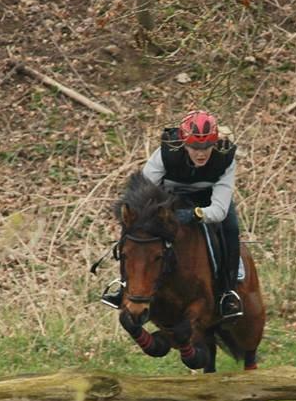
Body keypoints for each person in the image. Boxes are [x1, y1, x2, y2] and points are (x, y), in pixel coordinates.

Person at [102, 109, 244, 319]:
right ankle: (123, 285)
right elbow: (141, 190)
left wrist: (195, 214)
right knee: (133, 222)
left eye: (207, 147)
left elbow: (219, 210)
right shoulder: (165, 153)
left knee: (231, 228)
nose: (201, 153)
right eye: (195, 147)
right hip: (170, 198)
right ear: (184, 143)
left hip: (208, 201)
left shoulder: (225, 158)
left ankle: (227, 292)